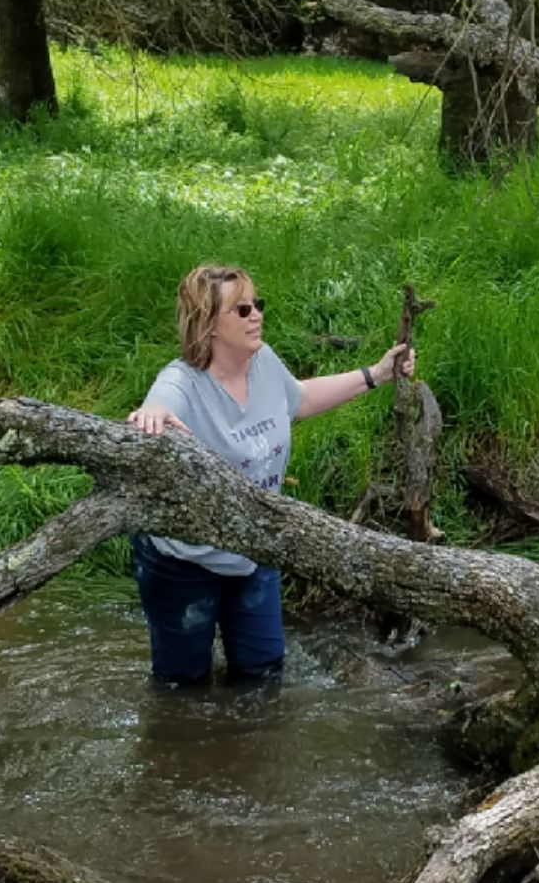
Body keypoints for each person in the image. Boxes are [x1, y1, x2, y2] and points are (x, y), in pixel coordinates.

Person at [122, 262, 415, 683]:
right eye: (241, 310)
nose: (256, 314)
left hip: (256, 549)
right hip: (183, 562)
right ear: (207, 324)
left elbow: (299, 397)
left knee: (262, 673)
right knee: (182, 686)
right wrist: (151, 414)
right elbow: (159, 406)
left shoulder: (263, 362)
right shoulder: (181, 383)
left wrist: (378, 373)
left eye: (256, 304)